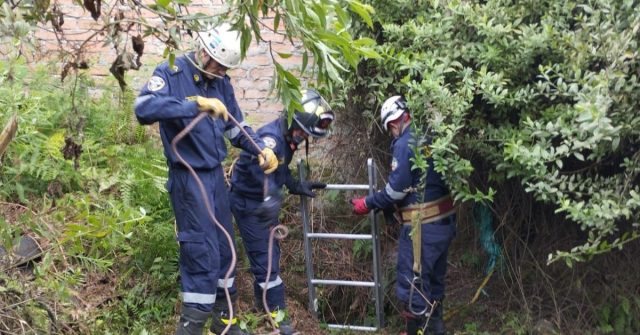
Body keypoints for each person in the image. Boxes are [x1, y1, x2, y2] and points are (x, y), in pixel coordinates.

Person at [134, 23, 278, 335]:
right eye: (218, 66)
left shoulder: (221, 83)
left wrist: (260, 149)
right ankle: (191, 329)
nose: (221, 73)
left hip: (215, 180)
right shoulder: (172, 72)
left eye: (226, 69)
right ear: (203, 53)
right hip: (189, 180)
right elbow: (143, 108)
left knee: (226, 253)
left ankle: (224, 324)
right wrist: (192, 104)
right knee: (201, 252)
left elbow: (234, 125)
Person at [228, 89, 334, 334]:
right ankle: (277, 317)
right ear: (294, 123)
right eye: (303, 133)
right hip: (250, 205)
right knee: (267, 263)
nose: (302, 139)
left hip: (263, 206)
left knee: (270, 255)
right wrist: (270, 197)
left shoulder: (287, 139)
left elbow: (280, 170)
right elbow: (256, 170)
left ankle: (261, 304)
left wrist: (296, 185)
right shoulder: (270, 139)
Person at [349, 96, 456, 335]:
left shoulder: (406, 142)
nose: (391, 132)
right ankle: (435, 330)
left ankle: (416, 332)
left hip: (423, 226)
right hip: (444, 222)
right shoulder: (429, 135)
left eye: (389, 127)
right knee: (433, 282)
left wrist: (367, 203)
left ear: (394, 121)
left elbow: (395, 191)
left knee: (413, 283)